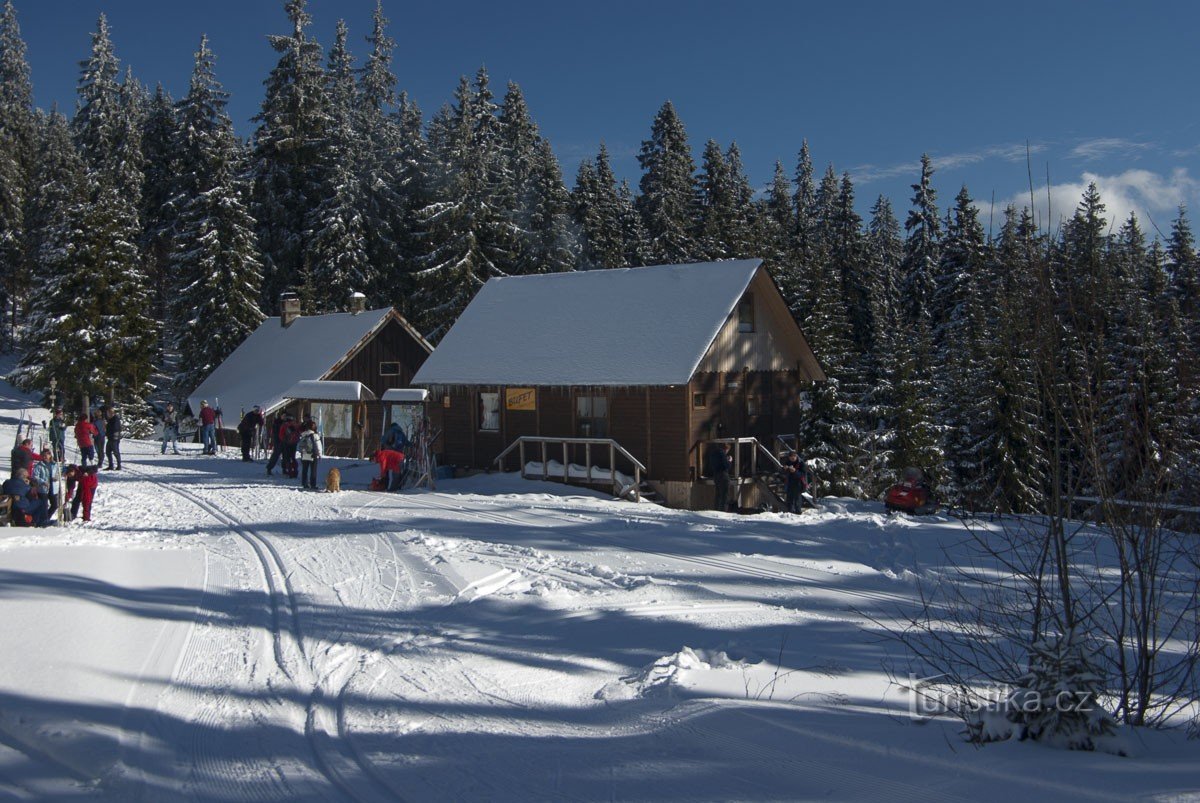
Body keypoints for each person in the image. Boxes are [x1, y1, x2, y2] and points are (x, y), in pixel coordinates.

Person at [32, 447, 60, 520]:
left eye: (46, 455)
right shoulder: (39, 466)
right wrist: (42, 481)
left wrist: (56, 477)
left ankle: (46, 518)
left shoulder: (54, 465)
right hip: (43, 489)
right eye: (43, 455)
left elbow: (58, 473)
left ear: (50, 455)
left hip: (53, 488)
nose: (45, 457)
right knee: (44, 506)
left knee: (54, 505)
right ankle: (43, 520)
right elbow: (35, 476)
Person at [705, 441, 734, 512]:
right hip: (723, 475)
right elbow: (726, 465)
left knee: (718, 494)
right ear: (726, 449)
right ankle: (723, 511)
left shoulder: (713, 453)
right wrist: (730, 461)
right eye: (727, 451)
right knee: (724, 495)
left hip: (716, 475)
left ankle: (716, 510)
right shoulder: (722, 453)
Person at [296, 420, 323, 490]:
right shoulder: (315, 435)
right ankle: (313, 484)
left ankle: (304, 483)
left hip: (305, 453)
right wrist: (320, 454)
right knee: (313, 470)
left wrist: (301, 452)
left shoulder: (303, 434)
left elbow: (299, 445)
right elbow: (318, 445)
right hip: (313, 454)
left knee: (305, 469)